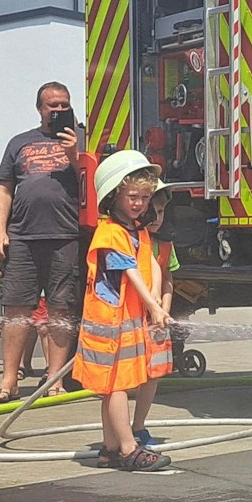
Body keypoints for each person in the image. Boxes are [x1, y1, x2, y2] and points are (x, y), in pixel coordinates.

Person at [0, 82, 85, 405]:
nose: (57, 111)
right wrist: (0, 231)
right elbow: (4, 190)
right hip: (23, 237)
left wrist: (74, 154)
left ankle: (55, 380)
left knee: (60, 308)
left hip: (65, 236)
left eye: (63, 105)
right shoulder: (19, 143)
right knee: (16, 309)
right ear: (39, 108)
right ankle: (10, 381)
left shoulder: (81, 140)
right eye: (51, 105)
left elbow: (90, 183)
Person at [77, 151, 174, 472]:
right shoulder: (111, 232)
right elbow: (130, 271)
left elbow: (151, 266)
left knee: (116, 385)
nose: (140, 204)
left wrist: (158, 301)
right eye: (133, 196)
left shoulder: (137, 230)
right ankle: (129, 449)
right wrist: (152, 306)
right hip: (109, 324)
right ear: (113, 194)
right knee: (115, 387)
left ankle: (110, 448)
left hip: (128, 322)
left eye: (145, 198)